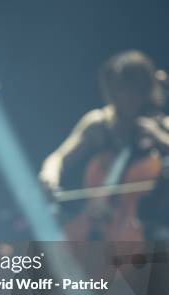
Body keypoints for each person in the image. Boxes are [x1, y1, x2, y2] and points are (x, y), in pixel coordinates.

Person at [39, 50, 169, 240]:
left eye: (134, 89)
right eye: (120, 88)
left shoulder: (161, 126)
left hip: (144, 226)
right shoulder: (98, 123)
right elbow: (58, 157)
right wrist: (49, 174)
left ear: (146, 89)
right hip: (92, 220)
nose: (126, 96)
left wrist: (158, 137)